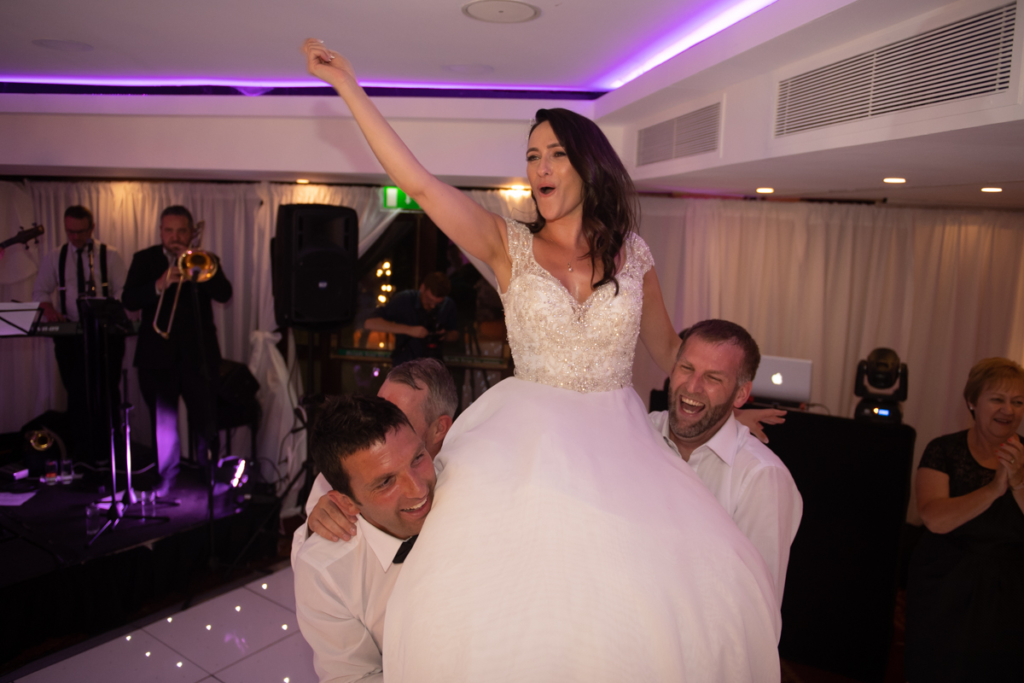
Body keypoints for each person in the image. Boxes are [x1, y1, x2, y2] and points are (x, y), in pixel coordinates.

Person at [302, 39, 780, 682]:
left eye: (556, 153)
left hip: (620, 448)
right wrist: (350, 88)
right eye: (532, 156)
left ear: (588, 166)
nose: (541, 167)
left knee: (650, 599)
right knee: (512, 603)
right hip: (524, 441)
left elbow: (671, 354)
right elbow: (416, 182)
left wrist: (721, 416)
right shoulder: (507, 245)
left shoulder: (633, 254)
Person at [647, 320, 802, 607]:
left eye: (713, 378)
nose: (692, 386)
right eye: (687, 368)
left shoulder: (761, 479)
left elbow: (755, 609)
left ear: (741, 394)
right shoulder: (638, 433)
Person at [294, 394, 435, 683]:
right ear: (345, 502)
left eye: (417, 458)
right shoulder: (326, 572)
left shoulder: (462, 487)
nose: (419, 489)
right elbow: (355, 677)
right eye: (386, 482)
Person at [905, 357, 1024, 682]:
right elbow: (935, 519)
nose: (1008, 410)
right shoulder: (944, 450)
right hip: (945, 584)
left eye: (1018, 402)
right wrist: (995, 489)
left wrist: (1019, 483)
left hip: (1010, 592)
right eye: (997, 399)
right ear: (972, 401)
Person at [293, 358, 457, 553]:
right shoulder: (346, 475)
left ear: (440, 428)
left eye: (397, 416)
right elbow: (307, 565)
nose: (381, 422)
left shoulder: (465, 476)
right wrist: (315, 530)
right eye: (379, 407)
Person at [122, 205, 232, 488]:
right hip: (156, 357)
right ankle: (166, 477)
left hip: (199, 356)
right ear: (160, 231)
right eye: (168, 230)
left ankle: (209, 475)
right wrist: (158, 285)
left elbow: (224, 293)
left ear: (191, 232)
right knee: (164, 424)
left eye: (181, 230)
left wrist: (195, 265)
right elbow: (129, 300)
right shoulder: (144, 259)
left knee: (205, 420)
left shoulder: (205, 259)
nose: (174, 236)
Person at [31, 205, 127, 461]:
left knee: (107, 392)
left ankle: (110, 453)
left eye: (80, 232)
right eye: (69, 232)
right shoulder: (55, 256)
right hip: (70, 335)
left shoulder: (110, 255)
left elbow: (123, 291)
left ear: (92, 228)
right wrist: (50, 309)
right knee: (76, 393)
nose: (74, 237)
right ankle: (81, 453)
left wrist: (108, 309)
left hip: (105, 335)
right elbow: (40, 292)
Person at [363, 272, 458, 364]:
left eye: (438, 303)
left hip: (434, 365)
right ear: (422, 287)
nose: (433, 306)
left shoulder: (448, 304)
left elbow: (455, 334)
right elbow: (370, 323)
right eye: (429, 300)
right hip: (404, 364)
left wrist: (444, 335)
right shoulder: (405, 299)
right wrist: (409, 330)